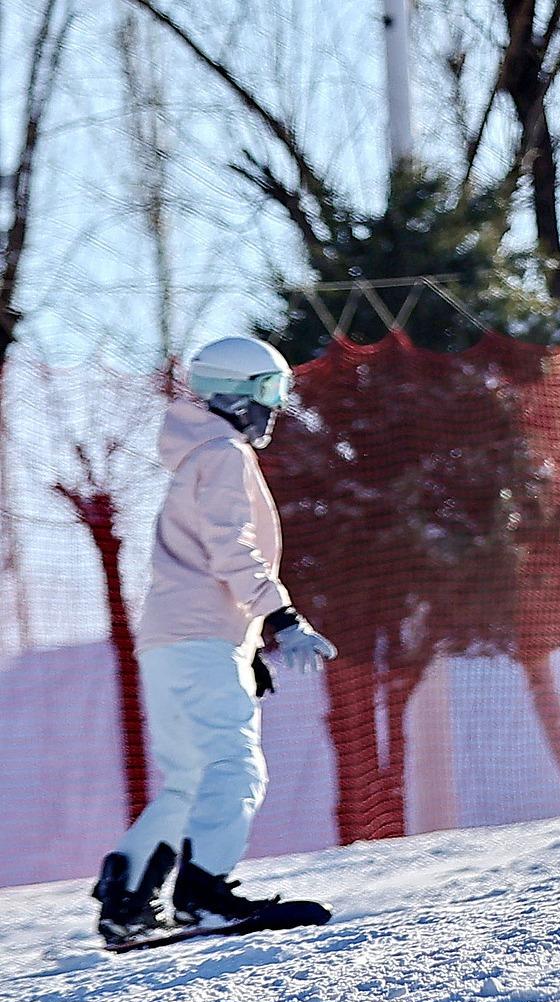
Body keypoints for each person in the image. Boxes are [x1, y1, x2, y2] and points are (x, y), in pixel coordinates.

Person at [92, 336, 338, 947]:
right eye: (268, 391)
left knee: (189, 776)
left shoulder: (198, 454)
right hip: (199, 637)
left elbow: (203, 558)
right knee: (233, 766)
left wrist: (248, 642)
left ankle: (127, 897)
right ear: (234, 395)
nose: (275, 408)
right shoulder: (223, 453)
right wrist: (281, 619)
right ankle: (204, 895)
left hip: (176, 638)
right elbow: (233, 549)